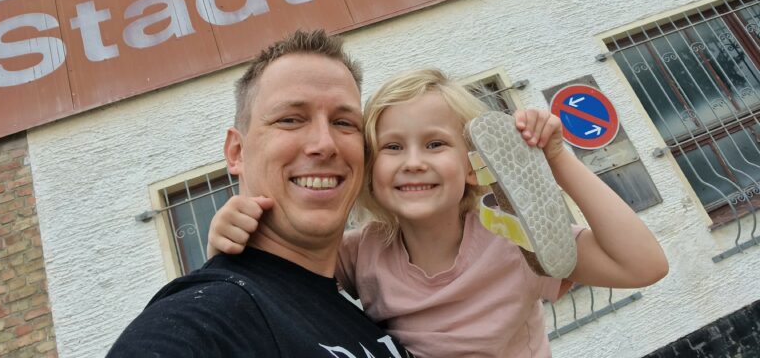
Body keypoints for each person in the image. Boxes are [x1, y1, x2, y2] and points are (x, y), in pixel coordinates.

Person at [209, 68, 669, 358]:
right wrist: (225, 239)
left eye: (435, 144)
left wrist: (557, 158)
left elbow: (644, 265)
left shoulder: (517, 240)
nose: (413, 161)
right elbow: (278, 283)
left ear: (472, 166)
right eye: (392, 147)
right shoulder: (360, 253)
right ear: (370, 169)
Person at [107, 30, 415, 357]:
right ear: (237, 152)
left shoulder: (374, 311)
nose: (325, 144)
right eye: (290, 119)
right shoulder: (210, 316)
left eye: (344, 122)